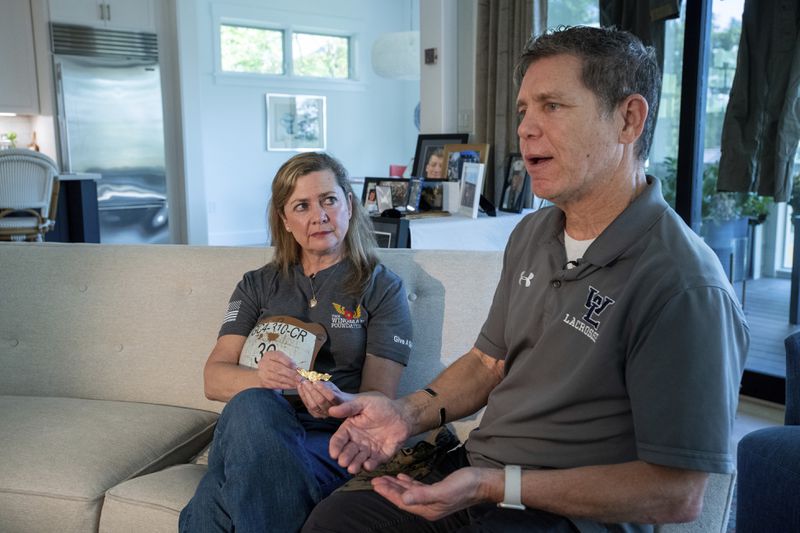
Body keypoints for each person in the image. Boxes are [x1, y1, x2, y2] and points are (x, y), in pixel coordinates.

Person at [301, 26, 749, 532]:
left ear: (629, 119)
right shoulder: (533, 232)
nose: (526, 129)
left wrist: (497, 485)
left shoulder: (685, 286)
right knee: (336, 521)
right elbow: (487, 363)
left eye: (552, 106)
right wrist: (404, 414)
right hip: (478, 477)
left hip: (562, 513)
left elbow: (677, 493)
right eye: (523, 111)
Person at [179, 152, 413, 532]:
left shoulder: (382, 288)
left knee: (214, 498)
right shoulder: (257, 284)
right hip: (248, 428)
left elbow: (379, 399)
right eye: (301, 206)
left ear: (349, 206)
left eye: (329, 200)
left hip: (330, 440)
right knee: (254, 405)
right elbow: (214, 378)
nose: (319, 215)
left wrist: (337, 401)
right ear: (285, 221)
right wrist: (264, 379)